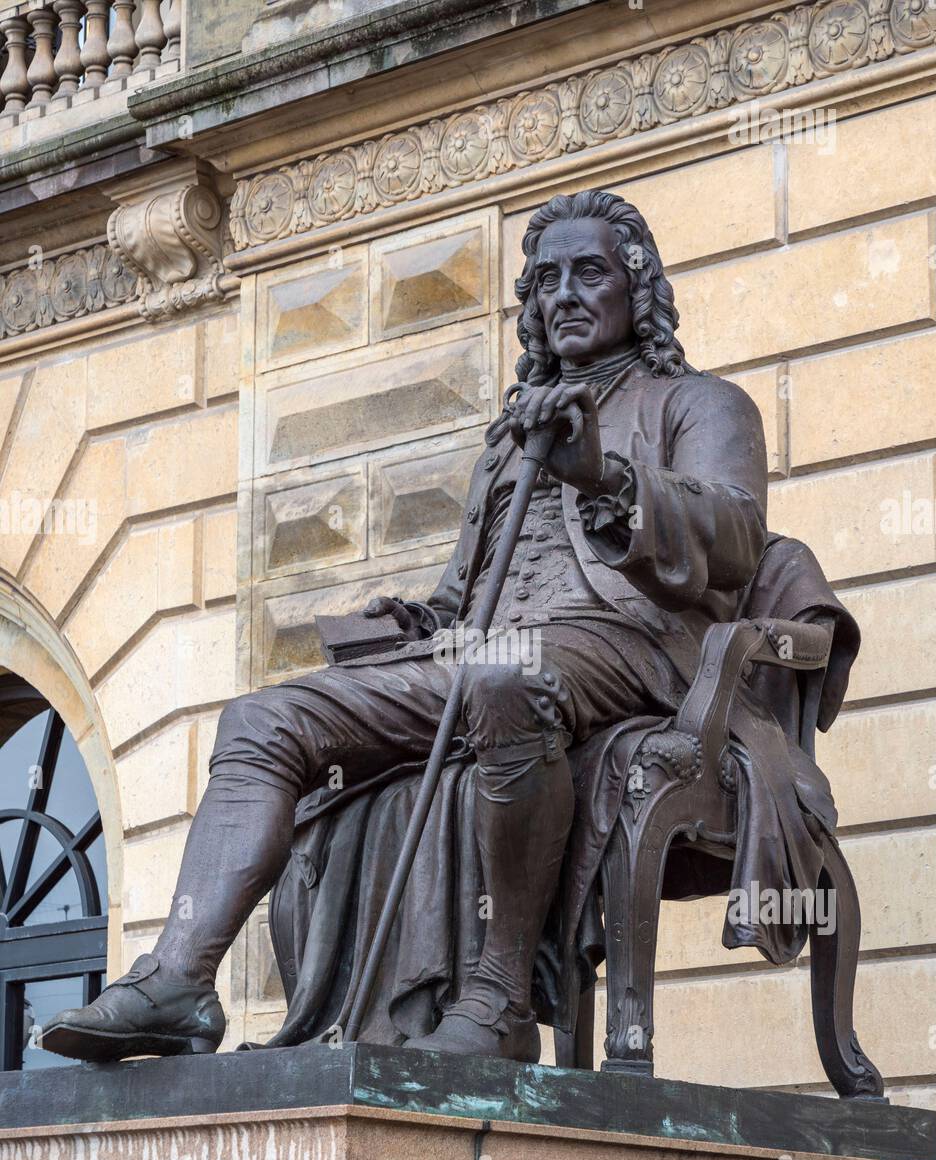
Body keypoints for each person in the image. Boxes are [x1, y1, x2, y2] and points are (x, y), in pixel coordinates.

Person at [42, 190, 767, 1065]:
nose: (564, 295)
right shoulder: (508, 442)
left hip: (635, 645)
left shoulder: (699, 404)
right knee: (262, 721)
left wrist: (606, 479)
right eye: (544, 281)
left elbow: (732, 539)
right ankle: (178, 979)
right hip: (491, 652)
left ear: (636, 292)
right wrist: (415, 619)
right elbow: (467, 596)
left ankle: (497, 998)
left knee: (506, 676)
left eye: (589, 273)